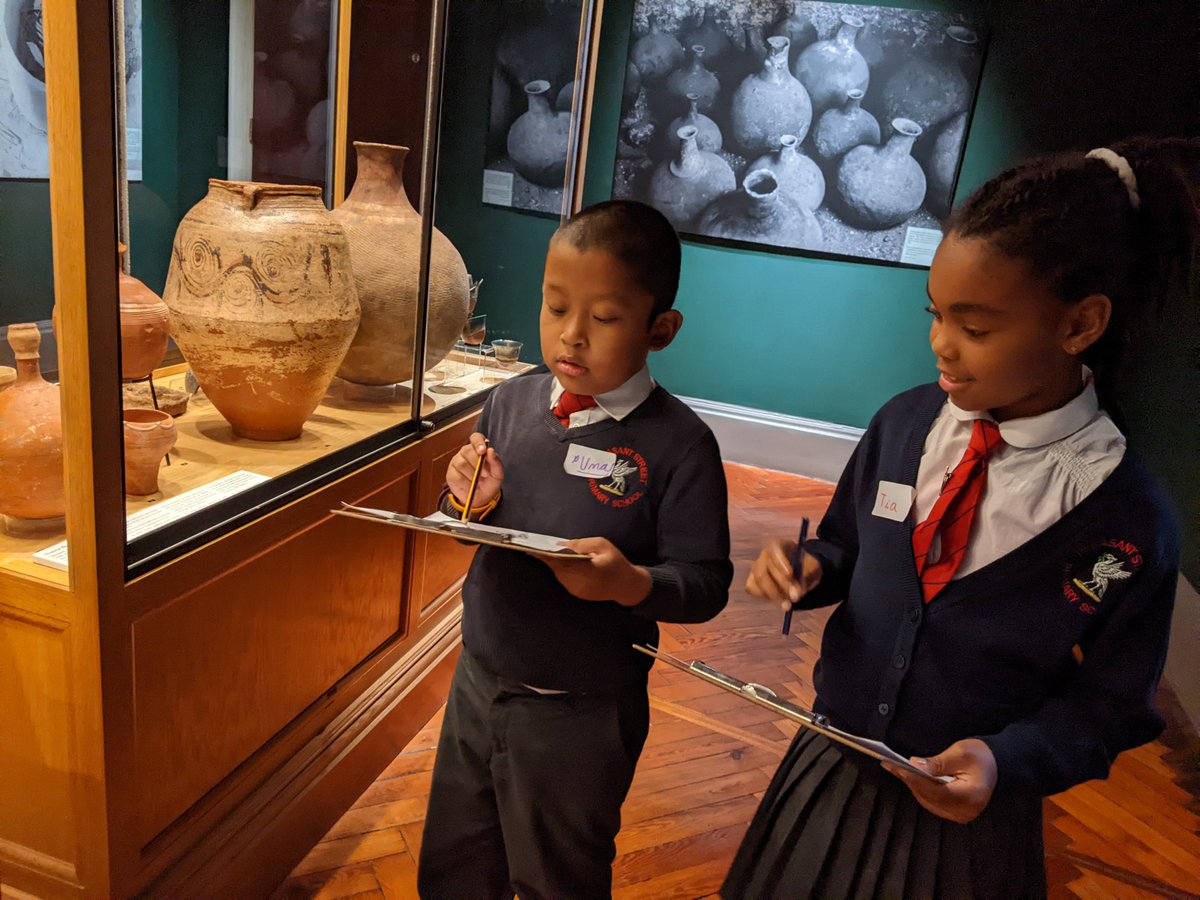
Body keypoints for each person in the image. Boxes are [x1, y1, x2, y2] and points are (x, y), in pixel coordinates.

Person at [724, 137, 1199, 899]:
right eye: (936, 314)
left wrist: (1005, 760)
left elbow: (1112, 707)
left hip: (967, 828)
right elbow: (847, 545)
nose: (941, 345)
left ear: (1080, 325)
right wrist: (809, 569)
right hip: (833, 762)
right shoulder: (904, 424)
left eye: (975, 328)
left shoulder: (1128, 520)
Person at [417, 200, 733, 899]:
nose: (572, 335)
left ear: (660, 330)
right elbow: (463, 520)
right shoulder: (510, 402)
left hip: (581, 712)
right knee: (452, 865)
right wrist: (468, 499)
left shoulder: (681, 445)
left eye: (605, 318)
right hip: (480, 679)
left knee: (557, 876)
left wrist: (629, 584)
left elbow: (705, 583)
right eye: (555, 306)